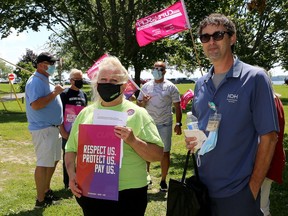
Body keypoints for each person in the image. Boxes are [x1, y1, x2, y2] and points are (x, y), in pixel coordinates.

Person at [185, 14, 279, 216]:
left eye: (218, 35)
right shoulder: (201, 83)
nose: (211, 42)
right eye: (205, 37)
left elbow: (269, 138)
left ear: (232, 38)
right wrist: (193, 141)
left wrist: (252, 189)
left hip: (238, 192)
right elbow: (201, 129)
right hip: (202, 190)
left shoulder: (255, 78)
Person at [65, 56, 164, 216]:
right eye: (103, 79)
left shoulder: (138, 114)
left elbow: (157, 155)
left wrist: (133, 140)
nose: (107, 83)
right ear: (97, 84)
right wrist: (71, 175)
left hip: (128, 194)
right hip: (92, 191)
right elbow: (70, 149)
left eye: (114, 80)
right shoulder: (86, 113)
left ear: (124, 86)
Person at [25, 52, 64, 208]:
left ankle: (46, 191)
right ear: (41, 65)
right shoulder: (35, 82)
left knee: (53, 161)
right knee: (43, 163)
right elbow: (35, 104)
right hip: (43, 129)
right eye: (51, 63)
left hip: (53, 128)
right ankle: (40, 201)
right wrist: (55, 93)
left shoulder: (45, 80)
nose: (53, 66)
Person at [137, 61, 182, 192]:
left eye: (160, 69)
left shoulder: (171, 87)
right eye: (155, 68)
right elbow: (139, 105)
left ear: (165, 71)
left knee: (165, 153)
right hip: (148, 124)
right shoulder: (146, 87)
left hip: (164, 124)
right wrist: (143, 102)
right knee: (146, 151)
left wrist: (178, 123)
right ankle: (146, 177)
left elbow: (177, 106)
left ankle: (163, 180)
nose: (157, 70)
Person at [59, 68, 88, 189]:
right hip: (67, 132)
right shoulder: (64, 94)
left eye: (81, 79)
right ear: (71, 80)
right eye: (77, 79)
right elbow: (59, 114)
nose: (80, 81)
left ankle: (80, 180)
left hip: (80, 132)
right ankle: (68, 183)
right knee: (68, 157)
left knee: (82, 158)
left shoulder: (84, 95)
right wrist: (63, 132)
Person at [261, 92, 285, 216]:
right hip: (272, 155)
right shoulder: (275, 100)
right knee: (263, 201)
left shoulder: (267, 102)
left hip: (265, 157)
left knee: (261, 205)